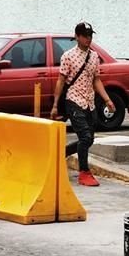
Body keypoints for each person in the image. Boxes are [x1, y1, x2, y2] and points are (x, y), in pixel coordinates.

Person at [49, 21, 116, 187]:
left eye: (90, 35)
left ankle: (61, 154)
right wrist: (55, 105)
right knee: (85, 137)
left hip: (89, 102)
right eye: (85, 36)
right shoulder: (68, 56)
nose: (88, 39)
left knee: (89, 139)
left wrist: (107, 100)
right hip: (73, 100)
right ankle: (84, 172)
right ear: (77, 37)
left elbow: (96, 80)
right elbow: (61, 81)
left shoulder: (94, 57)